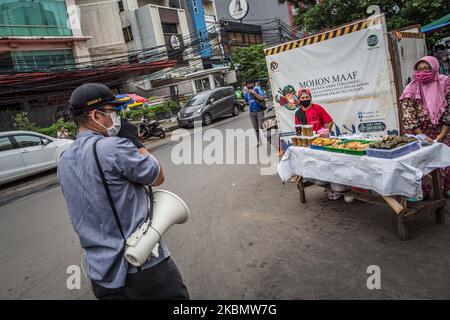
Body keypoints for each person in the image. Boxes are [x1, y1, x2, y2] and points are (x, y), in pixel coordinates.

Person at [58, 83, 189, 300]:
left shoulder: (63, 159)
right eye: (114, 112)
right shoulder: (114, 148)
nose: (118, 117)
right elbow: (158, 176)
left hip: (102, 276)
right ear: (96, 116)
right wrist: (134, 141)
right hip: (143, 268)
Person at [400, 56, 450, 198]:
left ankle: (446, 188)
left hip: (442, 130)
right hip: (419, 131)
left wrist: (441, 134)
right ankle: (423, 191)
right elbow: (408, 114)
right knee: (420, 162)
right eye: (419, 69)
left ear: (434, 68)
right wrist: (421, 135)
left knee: (446, 158)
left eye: (426, 68)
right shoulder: (411, 88)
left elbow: (449, 111)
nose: (422, 72)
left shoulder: (445, 83)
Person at [244, 80, 265, 147]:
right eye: (248, 84)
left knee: (262, 125)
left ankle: (268, 137)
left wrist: (254, 93)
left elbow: (262, 98)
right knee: (255, 128)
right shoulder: (246, 94)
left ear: (253, 84)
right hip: (252, 113)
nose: (250, 85)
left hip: (259, 111)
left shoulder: (257, 89)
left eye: (251, 83)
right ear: (246, 86)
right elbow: (246, 102)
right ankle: (259, 142)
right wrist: (244, 103)